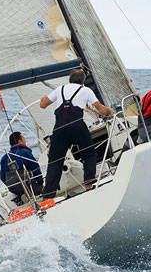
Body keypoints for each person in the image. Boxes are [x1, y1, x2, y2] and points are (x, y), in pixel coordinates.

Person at [39, 69, 114, 199]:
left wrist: (43, 99)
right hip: (77, 126)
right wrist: (109, 111)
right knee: (89, 154)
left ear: (69, 79)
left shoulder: (60, 89)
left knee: (55, 160)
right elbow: (102, 110)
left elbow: (43, 105)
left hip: (60, 128)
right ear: (83, 81)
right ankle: (89, 183)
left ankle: (48, 195)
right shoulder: (86, 90)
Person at [0, 132, 43, 204]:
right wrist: (40, 183)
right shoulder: (25, 152)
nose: (25, 141)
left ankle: (22, 196)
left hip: (14, 189)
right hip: (29, 187)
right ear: (20, 141)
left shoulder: (4, 158)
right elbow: (35, 169)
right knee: (50, 189)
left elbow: (3, 178)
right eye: (24, 139)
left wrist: (13, 185)